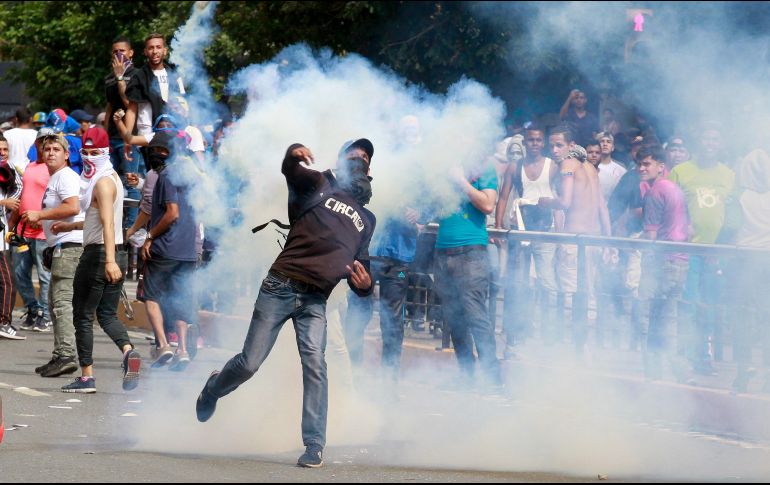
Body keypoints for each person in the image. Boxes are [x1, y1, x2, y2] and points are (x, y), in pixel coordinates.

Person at [196, 139, 377, 469]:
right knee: (250, 363)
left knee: (315, 365)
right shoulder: (321, 183)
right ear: (341, 161)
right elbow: (290, 170)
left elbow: (360, 272)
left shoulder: (367, 219)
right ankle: (213, 389)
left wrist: (366, 286)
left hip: (315, 299)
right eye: (355, 156)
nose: (360, 162)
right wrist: (293, 150)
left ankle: (314, 444)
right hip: (280, 285)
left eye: (365, 159)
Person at [52, 127, 140, 393]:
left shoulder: (102, 182)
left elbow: (107, 225)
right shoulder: (110, 177)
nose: (89, 158)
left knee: (81, 314)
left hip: (100, 255)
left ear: (106, 152)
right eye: (86, 153)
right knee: (105, 313)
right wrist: (69, 227)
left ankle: (87, 377)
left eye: (95, 153)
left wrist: (109, 261)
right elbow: (98, 220)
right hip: (114, 252)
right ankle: (128, 352)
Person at [669, 123, 735, 376]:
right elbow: (668, 207)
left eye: (715, 140)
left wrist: (723, 246)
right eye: (705, 139)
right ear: (697, 144)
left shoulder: (728, 175)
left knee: (709, 305)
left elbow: (733, 214)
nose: (710, 144)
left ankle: (702, 357)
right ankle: (684, 356)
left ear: (721, 145)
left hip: (715, 252)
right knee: (688, 304)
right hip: (687, 251)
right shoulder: (679, 171)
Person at [433, 153, 501, 390]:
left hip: (471, 253)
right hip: (443, 252)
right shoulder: (443, 169)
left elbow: (488, 205)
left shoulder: (483, 167)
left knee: (476, 318)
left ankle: (493, 381)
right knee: (454, 319)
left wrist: (460, 180)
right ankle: (467, 377)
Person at [19, 133, 83, 378]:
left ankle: (66, 354)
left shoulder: (65, 177)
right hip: (60, 246)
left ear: (67, 154)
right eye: (47, 149)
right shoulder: (56, 177)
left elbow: (72, 207)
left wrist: (39, 215)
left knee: (61, 302)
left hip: (70, 247)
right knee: (56, 301)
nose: (51, 153)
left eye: (56, 149)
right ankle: (59, 355)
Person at [495, 125, 559, 350]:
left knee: (546, 280)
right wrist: (497, 226)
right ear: (525, 144)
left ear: (543, 143)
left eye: (538, 140)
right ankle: (514, 329)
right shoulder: (515, 166)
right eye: (530, 140)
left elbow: (560, 198)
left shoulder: (552, 166)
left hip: (544, 228)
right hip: (520, 226)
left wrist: (561, 230)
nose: (534, 144)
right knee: (517, 281)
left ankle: (549, 330)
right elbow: (503, 197)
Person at [140, 132, 198, 371]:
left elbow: (172, 213)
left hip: (166, 247)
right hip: (188, 249)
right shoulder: (194, 176)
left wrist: (150, 236)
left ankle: (163, 345)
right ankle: (182, 350)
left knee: (151, 296)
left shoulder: (166, 176)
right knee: (180, 300)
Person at [636, 145, 692, 383]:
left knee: (650, 317)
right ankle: (672, 370)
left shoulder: (655, 192)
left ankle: (660, 372)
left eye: (646, 164)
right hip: (680, 259)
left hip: (663, 262)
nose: (641, 168)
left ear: (661, 167)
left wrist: (646, 264)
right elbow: (689, 228)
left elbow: (651, 236)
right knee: (669, 317)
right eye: (639, 164)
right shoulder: (675, 188)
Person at [8, 129, 52, 333]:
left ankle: (44, 314)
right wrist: (12, 224)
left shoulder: (55, 169)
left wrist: (43, 218)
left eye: (50, 142)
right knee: (19, 272)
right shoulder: (29, 167)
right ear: (36, 144)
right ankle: (32, 309)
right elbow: (22, 197)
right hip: (23, 229)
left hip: (43, 231)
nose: (45, 145)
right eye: (42, 141)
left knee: (44, 275)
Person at [0, 136, 22, 340]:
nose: (2, 152)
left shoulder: (9, 168)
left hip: (2, 235)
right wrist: (3, 202)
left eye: (5, 149)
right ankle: (4, 322)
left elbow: (19, 189)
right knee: (8, 282)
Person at [3, 107, 37, 176]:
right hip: (29, 174)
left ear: (16, 119)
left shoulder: (6, 134)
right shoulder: (37, 135)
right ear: (30, 119)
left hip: (10, 173)